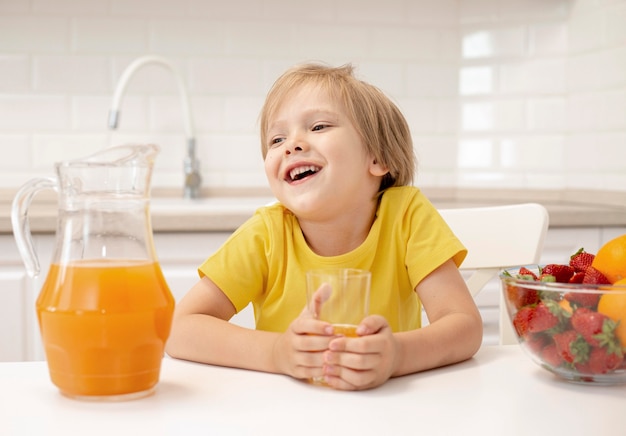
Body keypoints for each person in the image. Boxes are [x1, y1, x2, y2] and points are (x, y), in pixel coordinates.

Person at [165, 63, 483, 390]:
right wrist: (277, 353)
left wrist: (398, 355)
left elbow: (465, 326)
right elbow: (178, 328)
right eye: (277, 139)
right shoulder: (265, 234)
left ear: (377, 157)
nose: (292, 144)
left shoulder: (407, 217)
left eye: (317, 126)